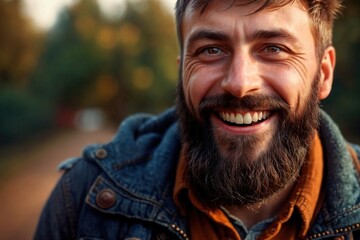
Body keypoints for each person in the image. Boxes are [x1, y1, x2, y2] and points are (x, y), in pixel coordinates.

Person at [35, 0, 360, 239]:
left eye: (274, 48)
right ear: (181, 70)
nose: (239, 82)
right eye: (211, 50)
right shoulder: (81, 199)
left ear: (323, 73)